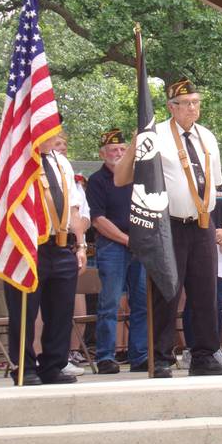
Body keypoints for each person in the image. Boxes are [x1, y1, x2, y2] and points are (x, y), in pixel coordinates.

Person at [114, 77, 222, 377]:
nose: (193, 108)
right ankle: (161, 357)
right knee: (167, 292)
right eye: (186, 103)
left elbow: (214, 182)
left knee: (205, 293)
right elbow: (122, 179)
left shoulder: (207, 137)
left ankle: (204, 354)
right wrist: (135, 145)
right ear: (171, 107)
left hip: (202, 223)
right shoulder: (156, 135)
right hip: (169, 226)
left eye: (196, 102)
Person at [2, 135, 87, 385]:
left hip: (60, 245)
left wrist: (80, 245)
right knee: (24, 311)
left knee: (60, 311)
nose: (55, 136)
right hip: (27, 248)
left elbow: (74, 207)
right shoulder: (17, 163)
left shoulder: (62, 162)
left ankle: (53, 365)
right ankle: (24, 367)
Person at [87, 128, 148, 374]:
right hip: (112, 246)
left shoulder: (138, 177)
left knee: (142, 303)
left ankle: (140, 355)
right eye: (113, 150)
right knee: (109, 303)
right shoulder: (96, 181)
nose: (119, 153)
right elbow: (97, 220)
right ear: (103, 154)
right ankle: (105, 356)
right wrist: (125, 239)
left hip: (141, 248)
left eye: (123, 149)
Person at [182, 177, 222, 369]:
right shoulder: (194, 180)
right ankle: (192, 348)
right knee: (196, 299)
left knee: (217, 300)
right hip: (202, 241)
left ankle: (215, 347)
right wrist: (215, 234)